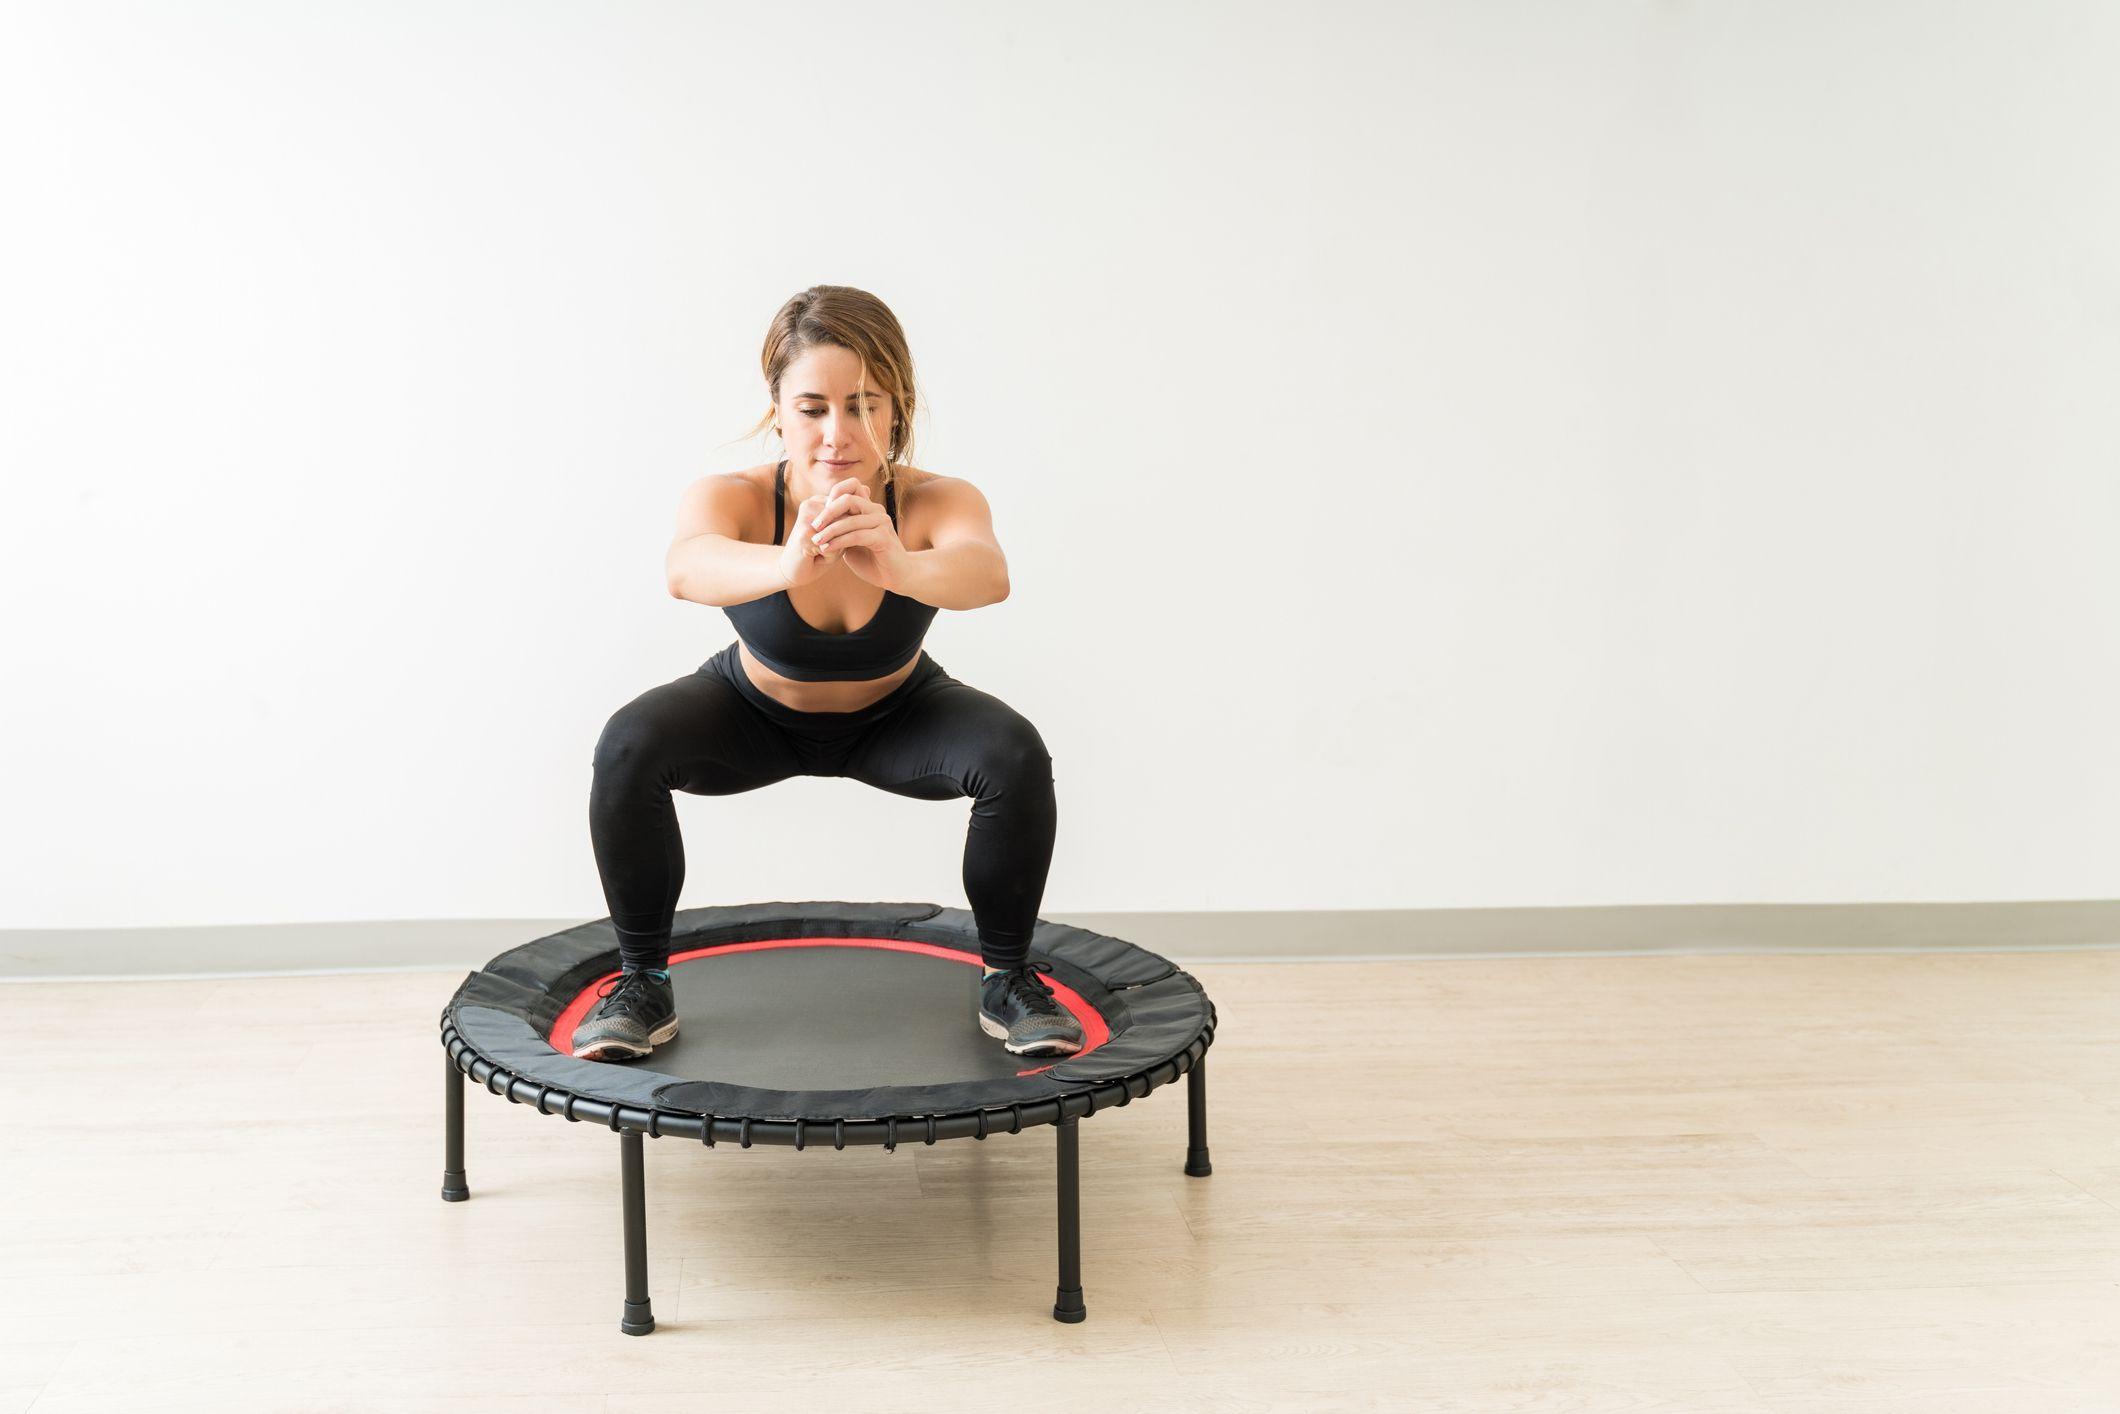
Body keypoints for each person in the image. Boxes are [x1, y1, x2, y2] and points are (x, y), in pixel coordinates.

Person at [580, 285, 1081, 1064]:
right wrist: (787, 563)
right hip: (751, 716)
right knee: (626, 745)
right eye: (813, 407)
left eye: (863, 404)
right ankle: (642, 981)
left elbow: (986, 575)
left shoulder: (933, 500)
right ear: (778, 407)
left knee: (1014, 752)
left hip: (898, 718)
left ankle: (1008, 980)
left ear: (895, 406)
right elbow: (686, 567)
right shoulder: (736, 497)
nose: (837, 432)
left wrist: (898, 562)